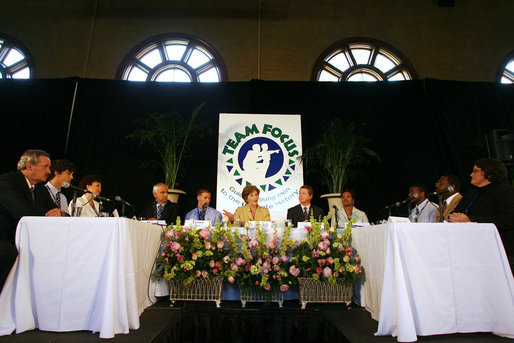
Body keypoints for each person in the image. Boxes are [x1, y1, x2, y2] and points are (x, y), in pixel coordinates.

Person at [0, 149, 62, 292]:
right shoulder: (6, 182)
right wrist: (48, 214)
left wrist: (59, 214)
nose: (49, 171)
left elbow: (55, 211)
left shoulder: (40, 189)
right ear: (29, 166)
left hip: (31, 241)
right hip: (5, 239)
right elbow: (21, 211)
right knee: (8, 252)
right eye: (45, 166)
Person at [449, 158, 514, 271]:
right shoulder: (472, 192)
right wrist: (454, 217)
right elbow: (455, 212)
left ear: (490, 173)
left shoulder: (503, 191)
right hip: (472, 248)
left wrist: (470, 220)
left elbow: (508, 219)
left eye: (475, 171)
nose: (471, 174)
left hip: (500, 249)